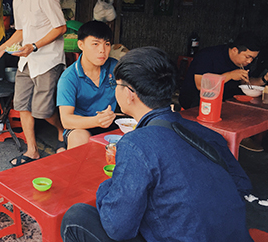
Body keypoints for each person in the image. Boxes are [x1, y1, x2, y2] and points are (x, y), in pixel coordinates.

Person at [61, 46, 253, 242]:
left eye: (116, 85)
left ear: (129, 93)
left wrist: (106, 188)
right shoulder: (205, 133)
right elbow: (242, 185)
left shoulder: (136, 143)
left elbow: (117, 228)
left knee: (76, 217)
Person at [0, 0, 67, 166]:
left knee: (43, 111)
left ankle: (63, 129)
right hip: (26, 60)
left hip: (47, 60)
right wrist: (2, 47)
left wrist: (34, 46)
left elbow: (60, 27)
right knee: (22, 105)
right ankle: (32, 150)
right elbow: (21, 30)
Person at [57, 21, 118, 149]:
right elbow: (66, 120)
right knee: (80, 138)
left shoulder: (115, 67)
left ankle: (63, 154)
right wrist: (96, 121)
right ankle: (66, 153)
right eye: (95, 44)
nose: (102, 50)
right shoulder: (69, 78)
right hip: (81, 126)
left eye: (107, 44)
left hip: (111, 123)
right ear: (81, 45)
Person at [179, 32, 268, 110]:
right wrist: (230, 75)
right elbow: (200, 85)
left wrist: (263, 79)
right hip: (196, 103)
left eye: (253, 58)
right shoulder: (207, 56)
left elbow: (245, 83)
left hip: (226, 103)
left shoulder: (244, 62)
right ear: (235, 50)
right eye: (247, 57)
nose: (250, 61)